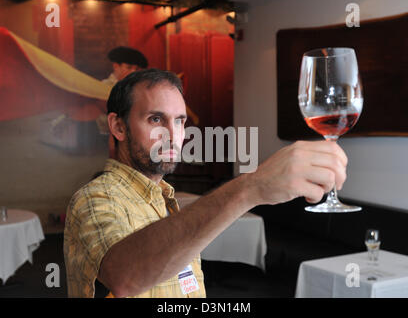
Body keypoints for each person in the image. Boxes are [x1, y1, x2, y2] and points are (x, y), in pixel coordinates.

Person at [63, 68, 348, 298]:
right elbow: (125, 277)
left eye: (179, 121)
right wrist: (250, 188)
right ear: (118, 127)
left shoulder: (164, 198)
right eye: (155, 119)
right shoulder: (94, 197)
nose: (172, 135)